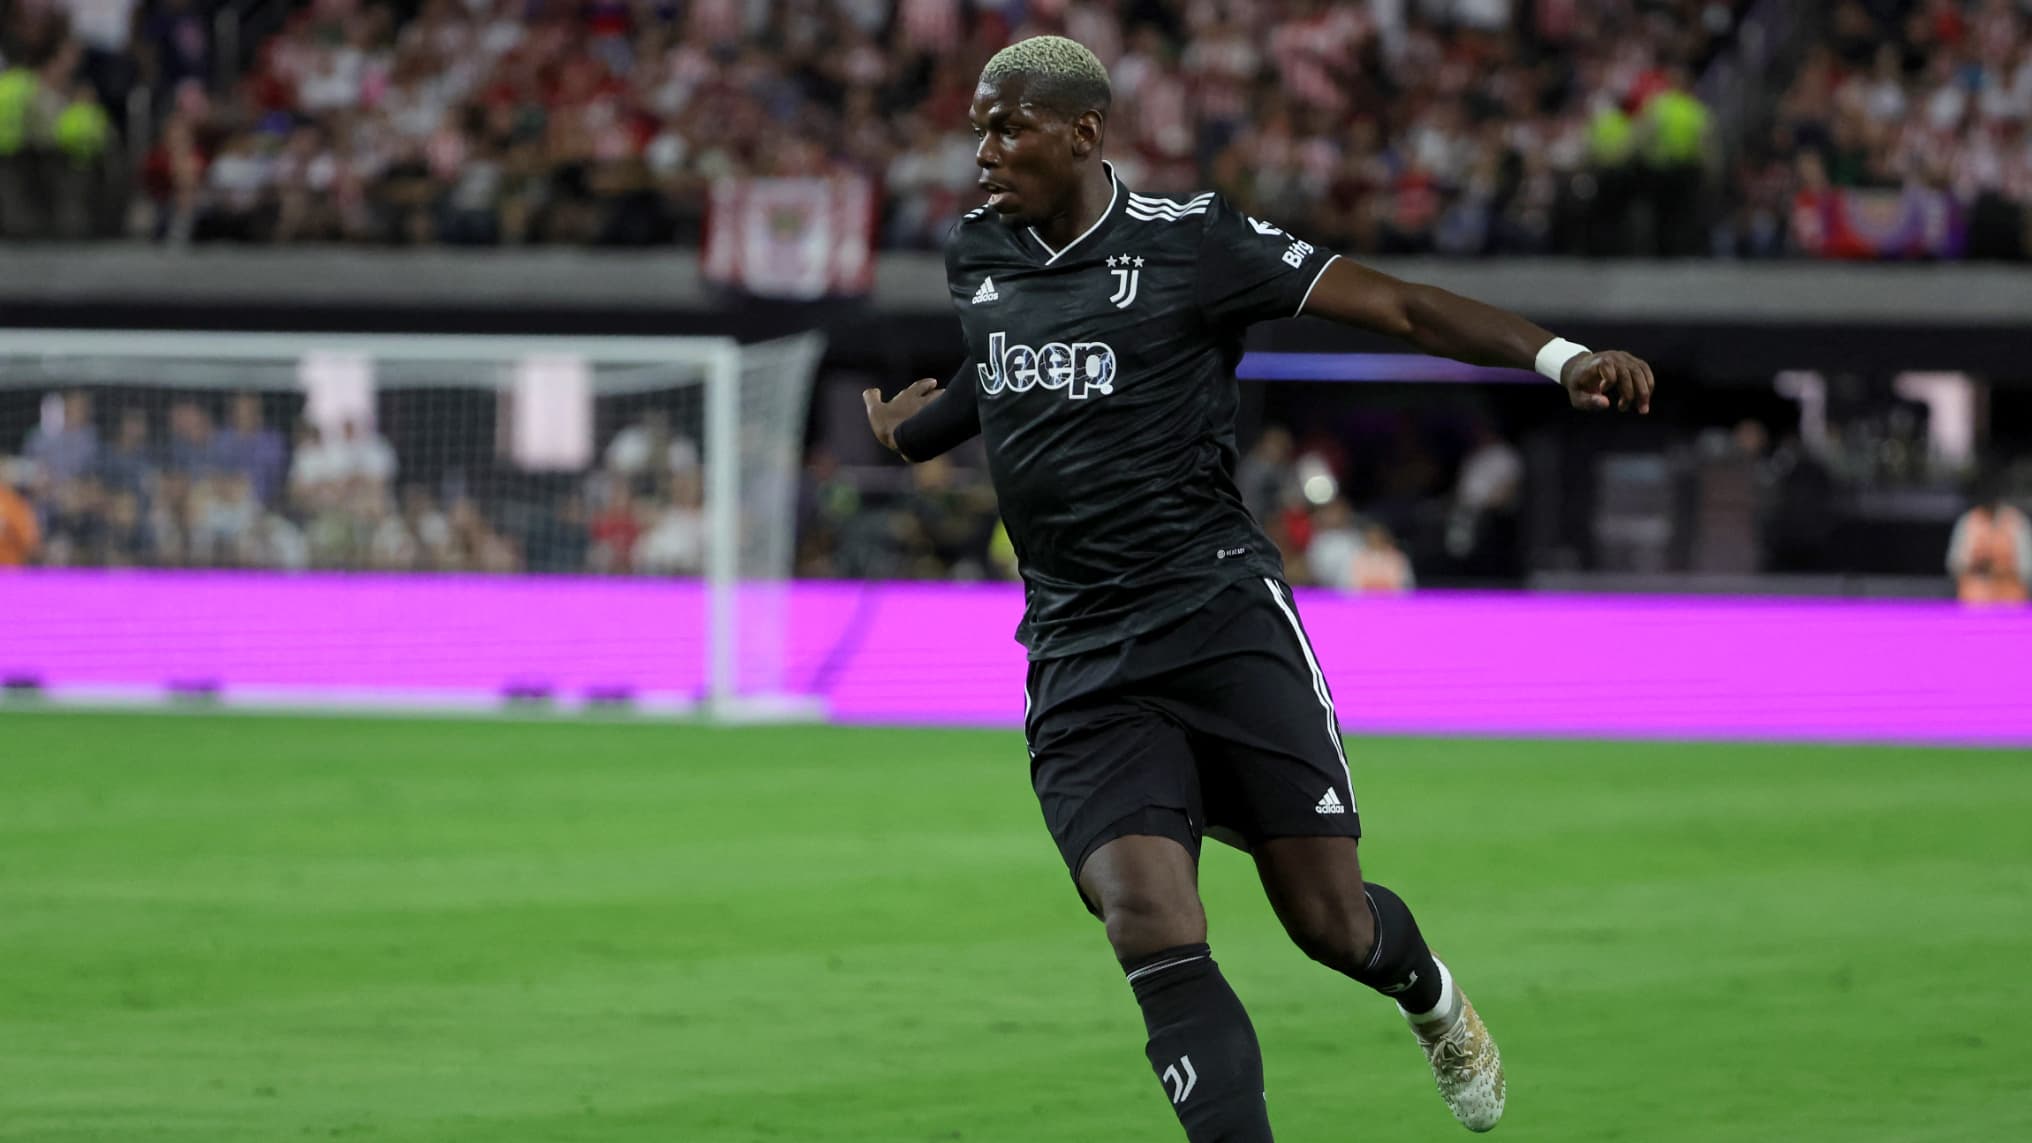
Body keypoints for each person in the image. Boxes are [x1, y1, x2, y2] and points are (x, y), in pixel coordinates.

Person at [861, 37, 1657, 1142]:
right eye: (977, 130)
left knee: (1329, 923)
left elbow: (1400, 308)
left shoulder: (1197, 242)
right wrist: (913, 431)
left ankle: (1428, 994)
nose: (983, 151)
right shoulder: (978, 250)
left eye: (1008, 127)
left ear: (1083, 134)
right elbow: (1003, 367)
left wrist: (1559, 357)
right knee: (1147, 917)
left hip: (1221, 624)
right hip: (1083, 655)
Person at [1947, 475, 2029, 606]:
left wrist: (2002, 565)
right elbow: (1955, 565)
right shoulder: (1969, 521)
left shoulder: (2016, 521)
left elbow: (2027, 568)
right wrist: (1978, 560)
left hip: (2011, 600)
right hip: (1975, 600)